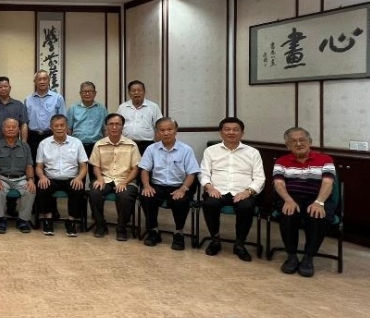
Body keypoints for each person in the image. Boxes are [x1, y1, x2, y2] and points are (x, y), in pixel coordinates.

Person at [199, 117, 266, 261]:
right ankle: (215, 240)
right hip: (217, 190)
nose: (231, 132)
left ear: (242, 133)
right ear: (221, 132)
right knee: (210, 204)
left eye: (236, 130)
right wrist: (209, 187)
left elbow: (260, 178)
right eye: (227, 129)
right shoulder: (211, 151)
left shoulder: (253, 152)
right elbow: (204, 173)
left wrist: (248, 192)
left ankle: (240, 244)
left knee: (246, 207)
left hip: (243, 192)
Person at [272, 127, 336, 277]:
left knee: (317, 215)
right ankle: (292, 256)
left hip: (318, 197)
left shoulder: (325, 160)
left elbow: (328, 183)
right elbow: (279, 184)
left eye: (302, 140)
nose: (299, 143)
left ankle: (309, 258)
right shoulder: (281, 161)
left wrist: (319, 202)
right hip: (291, 196)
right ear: (287, 145)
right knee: (289, 212)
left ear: (310, 142)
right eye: (293, 141)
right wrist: (288, 200)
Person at [138, 118, 198, 251]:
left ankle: (178, 233)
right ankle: (153, 231)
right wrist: (147, 186)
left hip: (178, 185)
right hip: (157, 185)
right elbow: (144, 170)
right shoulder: (151, 149)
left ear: (176, 131)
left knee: (180, 201)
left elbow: (192, 173)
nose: (166, 133)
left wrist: (183, 189)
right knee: (147, 197)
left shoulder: (186, 150)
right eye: (162, 130)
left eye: (170, 129)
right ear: (157, 132)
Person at [87, 114, 141, 241]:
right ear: (106, 126)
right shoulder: (99, 144)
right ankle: (100, 225)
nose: (114, 127)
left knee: (125, 196)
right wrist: (99, 179)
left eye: (118, 124)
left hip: (125, 180)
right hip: (105, 179)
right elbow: (95, 166)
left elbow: (135, 169)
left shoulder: (131, 145)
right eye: (111, 124)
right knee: (94, 192)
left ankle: (121, 228)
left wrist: (125, 182)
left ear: (122, 127)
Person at [35, 114, 88, 236]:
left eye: (62, 125)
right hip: (51, 178)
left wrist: (79, 178)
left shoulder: (77, 143)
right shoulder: (44, 144)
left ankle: (71, 221)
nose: (59, 128)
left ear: (67, 127)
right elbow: (39, 167)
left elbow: (84, 166)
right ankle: (48, 220)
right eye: (56, 126)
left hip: (71, 178)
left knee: (78, 188)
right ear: (51, 127)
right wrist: (42, 177)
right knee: (43, 187)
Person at [0, 118, 36, 234]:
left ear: (18, 130)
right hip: (3, 178)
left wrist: (30, 180)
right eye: (8, 127)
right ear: (3, 129)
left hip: (21, 178)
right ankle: (1, 220)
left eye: (13, 127)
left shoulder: (25, 146)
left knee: (30, 190)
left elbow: (29, 166)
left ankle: (23, 220)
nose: (10, 129)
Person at [25, 70, 65, 164]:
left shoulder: (58, 98)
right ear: (35, 82)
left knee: (51, 163)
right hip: (33, 137)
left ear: (49, 81)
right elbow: (25, 123)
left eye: (44, 79)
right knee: (34, 163)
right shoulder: (28, 99)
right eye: (39, 79)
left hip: (51, 135)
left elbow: (63, 120)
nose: (42, 81)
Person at [116, 80, 163, 155]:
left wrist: (159, 145)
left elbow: (159, 127)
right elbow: (117, 126)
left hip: (147, 145)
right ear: (129, 93)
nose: (136, 93)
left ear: (144, 92)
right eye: (133, 91)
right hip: (126, 144)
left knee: (145, 166)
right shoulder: (122, 107)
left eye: (139, 90)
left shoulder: (153, 107)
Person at [0, 76, 29, 146]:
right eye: (0, 87)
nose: (3, 89)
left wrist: (24, 144)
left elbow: (23, 125)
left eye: (5, 86)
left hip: (14, 145)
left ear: (10, 88)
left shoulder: (19, 105)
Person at [66, 81, 107, 157]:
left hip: (97, 145)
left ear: (95, 93)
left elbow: (105, 129)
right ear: (80, 93)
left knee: (94, 168)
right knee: (79, 168)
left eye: (90, 91)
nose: (87, 94)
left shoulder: (101, 109)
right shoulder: (73, 108)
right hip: (77, 145)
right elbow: (68, 129)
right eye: (84, 92)